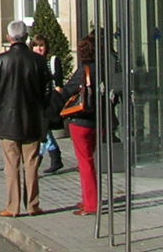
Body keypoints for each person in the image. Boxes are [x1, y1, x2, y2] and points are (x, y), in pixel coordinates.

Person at [0, 19, 52, 218]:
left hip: (8, 119)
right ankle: (33, 205)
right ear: (27, 38)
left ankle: (12, 207)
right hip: (32, 117)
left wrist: (0, 109)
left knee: (11, 164)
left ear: (9, 38)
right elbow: (47, 89)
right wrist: (42, 107)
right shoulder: (38, 61)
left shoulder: (0, 61)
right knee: (31, 163)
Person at [63, 35, 100, 216]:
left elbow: (69, 90)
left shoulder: (83, 70)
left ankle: (91, 203)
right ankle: (88, 198)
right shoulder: (103, 69)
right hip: (98, 120)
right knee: (90, 161)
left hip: (81, 120)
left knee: (85, 163)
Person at [29, 34, 64, 174]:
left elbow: (58, 84)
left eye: (41, 46)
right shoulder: (31, 62)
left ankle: (38, 162)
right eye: (36, 46)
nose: (39, 49)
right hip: (37, 103)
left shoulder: (52, 61)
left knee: (43, 133)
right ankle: (55, 158)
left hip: (49, 103)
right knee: (44, 132)